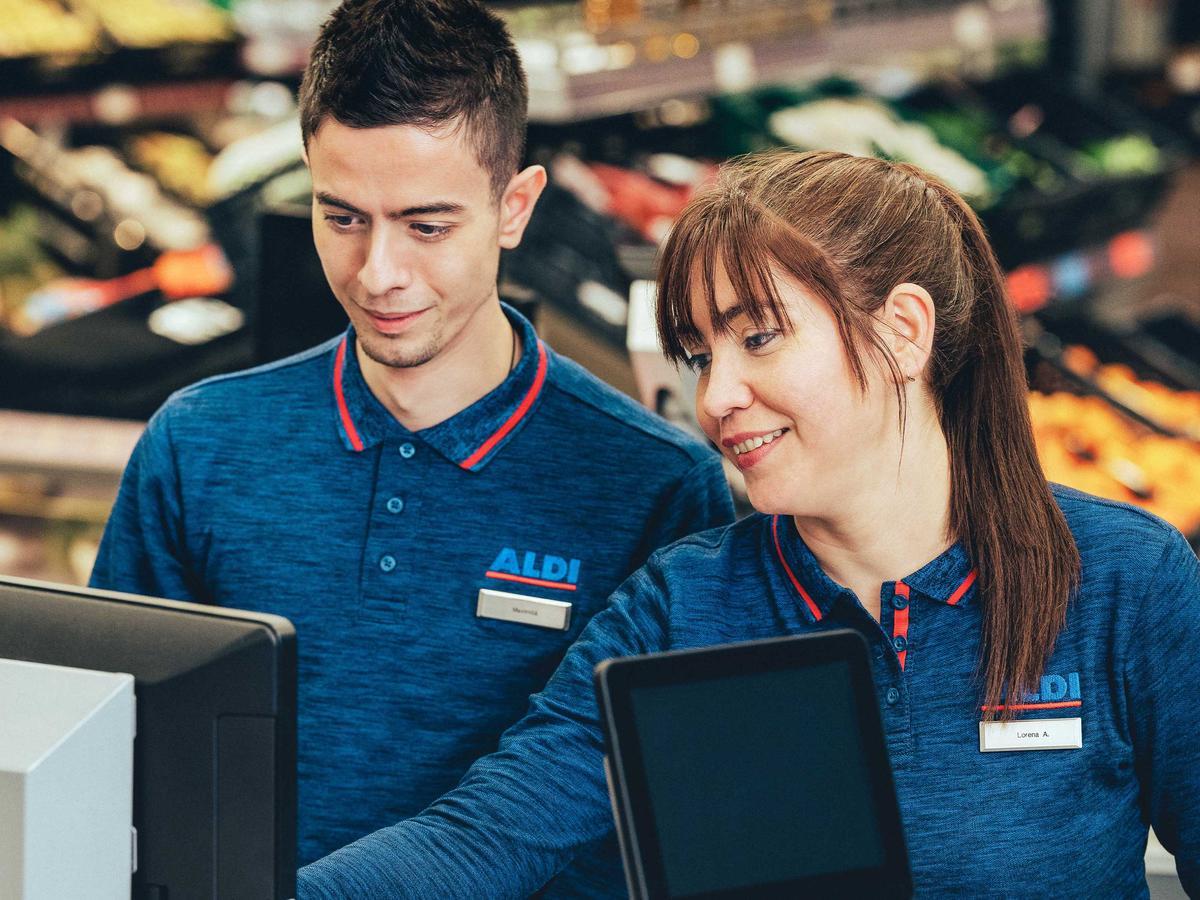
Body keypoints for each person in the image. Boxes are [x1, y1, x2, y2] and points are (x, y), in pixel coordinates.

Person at [295, 149, 1200, 899]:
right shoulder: (681, 610)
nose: (718, 398)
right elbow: (488, 833)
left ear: (904, 333)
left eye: (758, 337)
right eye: (700, 354)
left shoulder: (1125, 584)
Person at [88, 0, 734, 884]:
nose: (379, 273)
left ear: (515, 207)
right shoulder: (198, 449)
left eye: (427, 226)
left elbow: (672, 817)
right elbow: (107, 759)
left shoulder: (655, 487)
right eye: (342, 217)